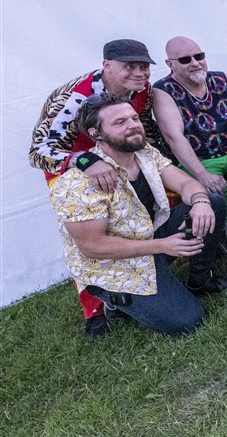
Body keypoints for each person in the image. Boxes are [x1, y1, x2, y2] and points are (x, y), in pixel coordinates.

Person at [49, 94, 227, 339]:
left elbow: (185, 183)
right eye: (120, 122)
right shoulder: (76, 184)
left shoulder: (144, 153)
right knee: (187, 322)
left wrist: (201, 202)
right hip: (114, 265)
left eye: (134, 118)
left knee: (212, 201)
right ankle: (113, 299)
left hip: (149, 237)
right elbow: (92, 246)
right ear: (96, 133)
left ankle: (201, 280)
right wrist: (163, 245)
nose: (133, 125)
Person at [30, 38, 170, 325]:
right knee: (86, 233)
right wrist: (85, 161)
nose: (139, 72)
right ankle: (95, 307)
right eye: (129, 66)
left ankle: (159, 266)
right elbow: (39, 150)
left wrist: (164, 160)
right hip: (71, 165)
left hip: (117, 154)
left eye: (144, 66)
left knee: (154, 203)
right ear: (106, 65)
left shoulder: (142, 88)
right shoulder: (76, 97)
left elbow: (143, 125)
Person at [153, 36, 227, 248]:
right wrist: (201, 174)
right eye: (186, 59)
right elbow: (174, 137)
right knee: (214, 185)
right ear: (170, 64)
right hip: (197, 159)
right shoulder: (163, 90)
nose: (195, 63)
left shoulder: (221, 79)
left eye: (199, 56)